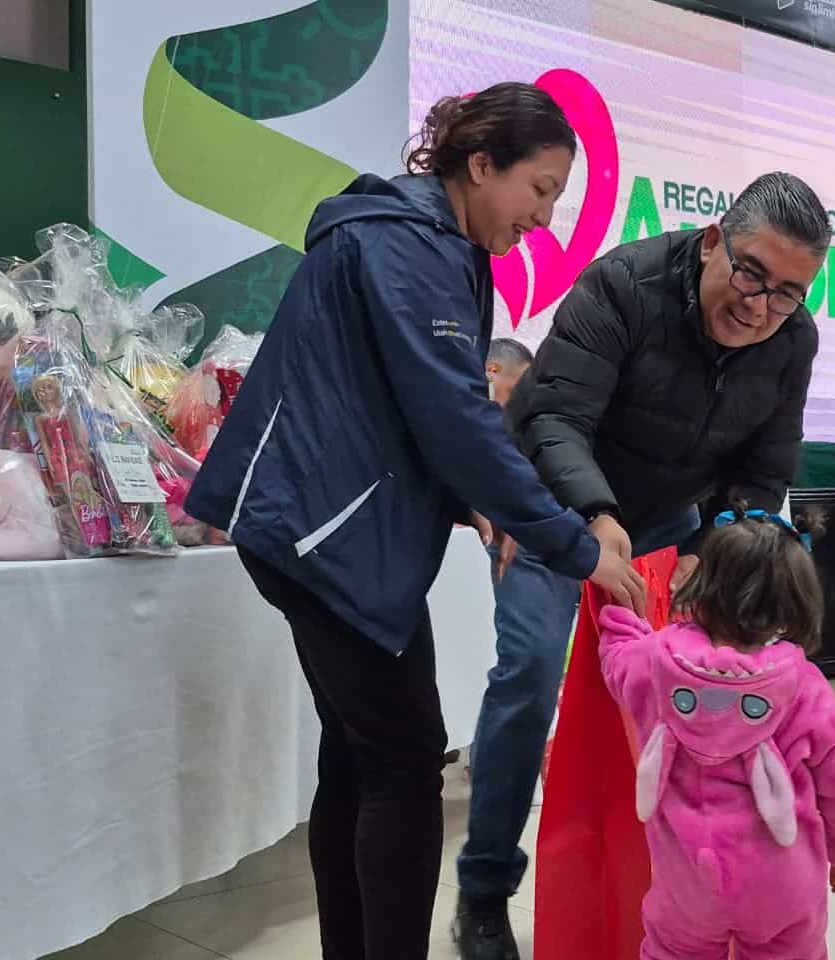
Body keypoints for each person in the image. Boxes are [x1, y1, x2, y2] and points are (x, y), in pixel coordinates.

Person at [184, 83, 647, 960]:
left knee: (357, 758)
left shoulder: (432, 242)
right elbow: (455, 418)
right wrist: (572, 544)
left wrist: (468, 500)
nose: (545, 218)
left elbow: (404, 408)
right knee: (403, 762)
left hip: (328, 532)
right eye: (540, 189)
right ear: (482, 164)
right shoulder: (409, 244)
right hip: (325, 539)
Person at [454, 172, 829, 959]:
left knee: (681, 694)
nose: (759, 306)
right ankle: (485, 890)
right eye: (751, 274)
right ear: (713, 241)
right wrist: (592, 517)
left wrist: (708, 548)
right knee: (530, 675)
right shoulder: (624, 284)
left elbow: (764, 467)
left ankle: (664, 891)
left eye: (787, 293)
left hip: (669, 523)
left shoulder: (793, 340)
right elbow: (556, 416)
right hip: (555, 509)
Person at [598, 505, 835, 960]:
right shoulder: (803, 686)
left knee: (674, 952)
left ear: (703, 584)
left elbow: (617, 661)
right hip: (783, 886)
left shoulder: (656, 661)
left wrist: (618, 617)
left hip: (686, 885)